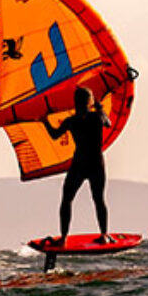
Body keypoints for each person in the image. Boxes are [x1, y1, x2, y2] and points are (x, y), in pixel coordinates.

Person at [42, 86, 111, 243]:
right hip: (95, 163)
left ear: (75, 102)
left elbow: (54, 135)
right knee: (98, 199)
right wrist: (100, 109)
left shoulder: (71, 121)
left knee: (67, 199)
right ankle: (104, 234)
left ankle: (64, 238)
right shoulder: (96, 117)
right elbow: (108, 123)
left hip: (80, 163)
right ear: (90, 102)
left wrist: (45, 121)